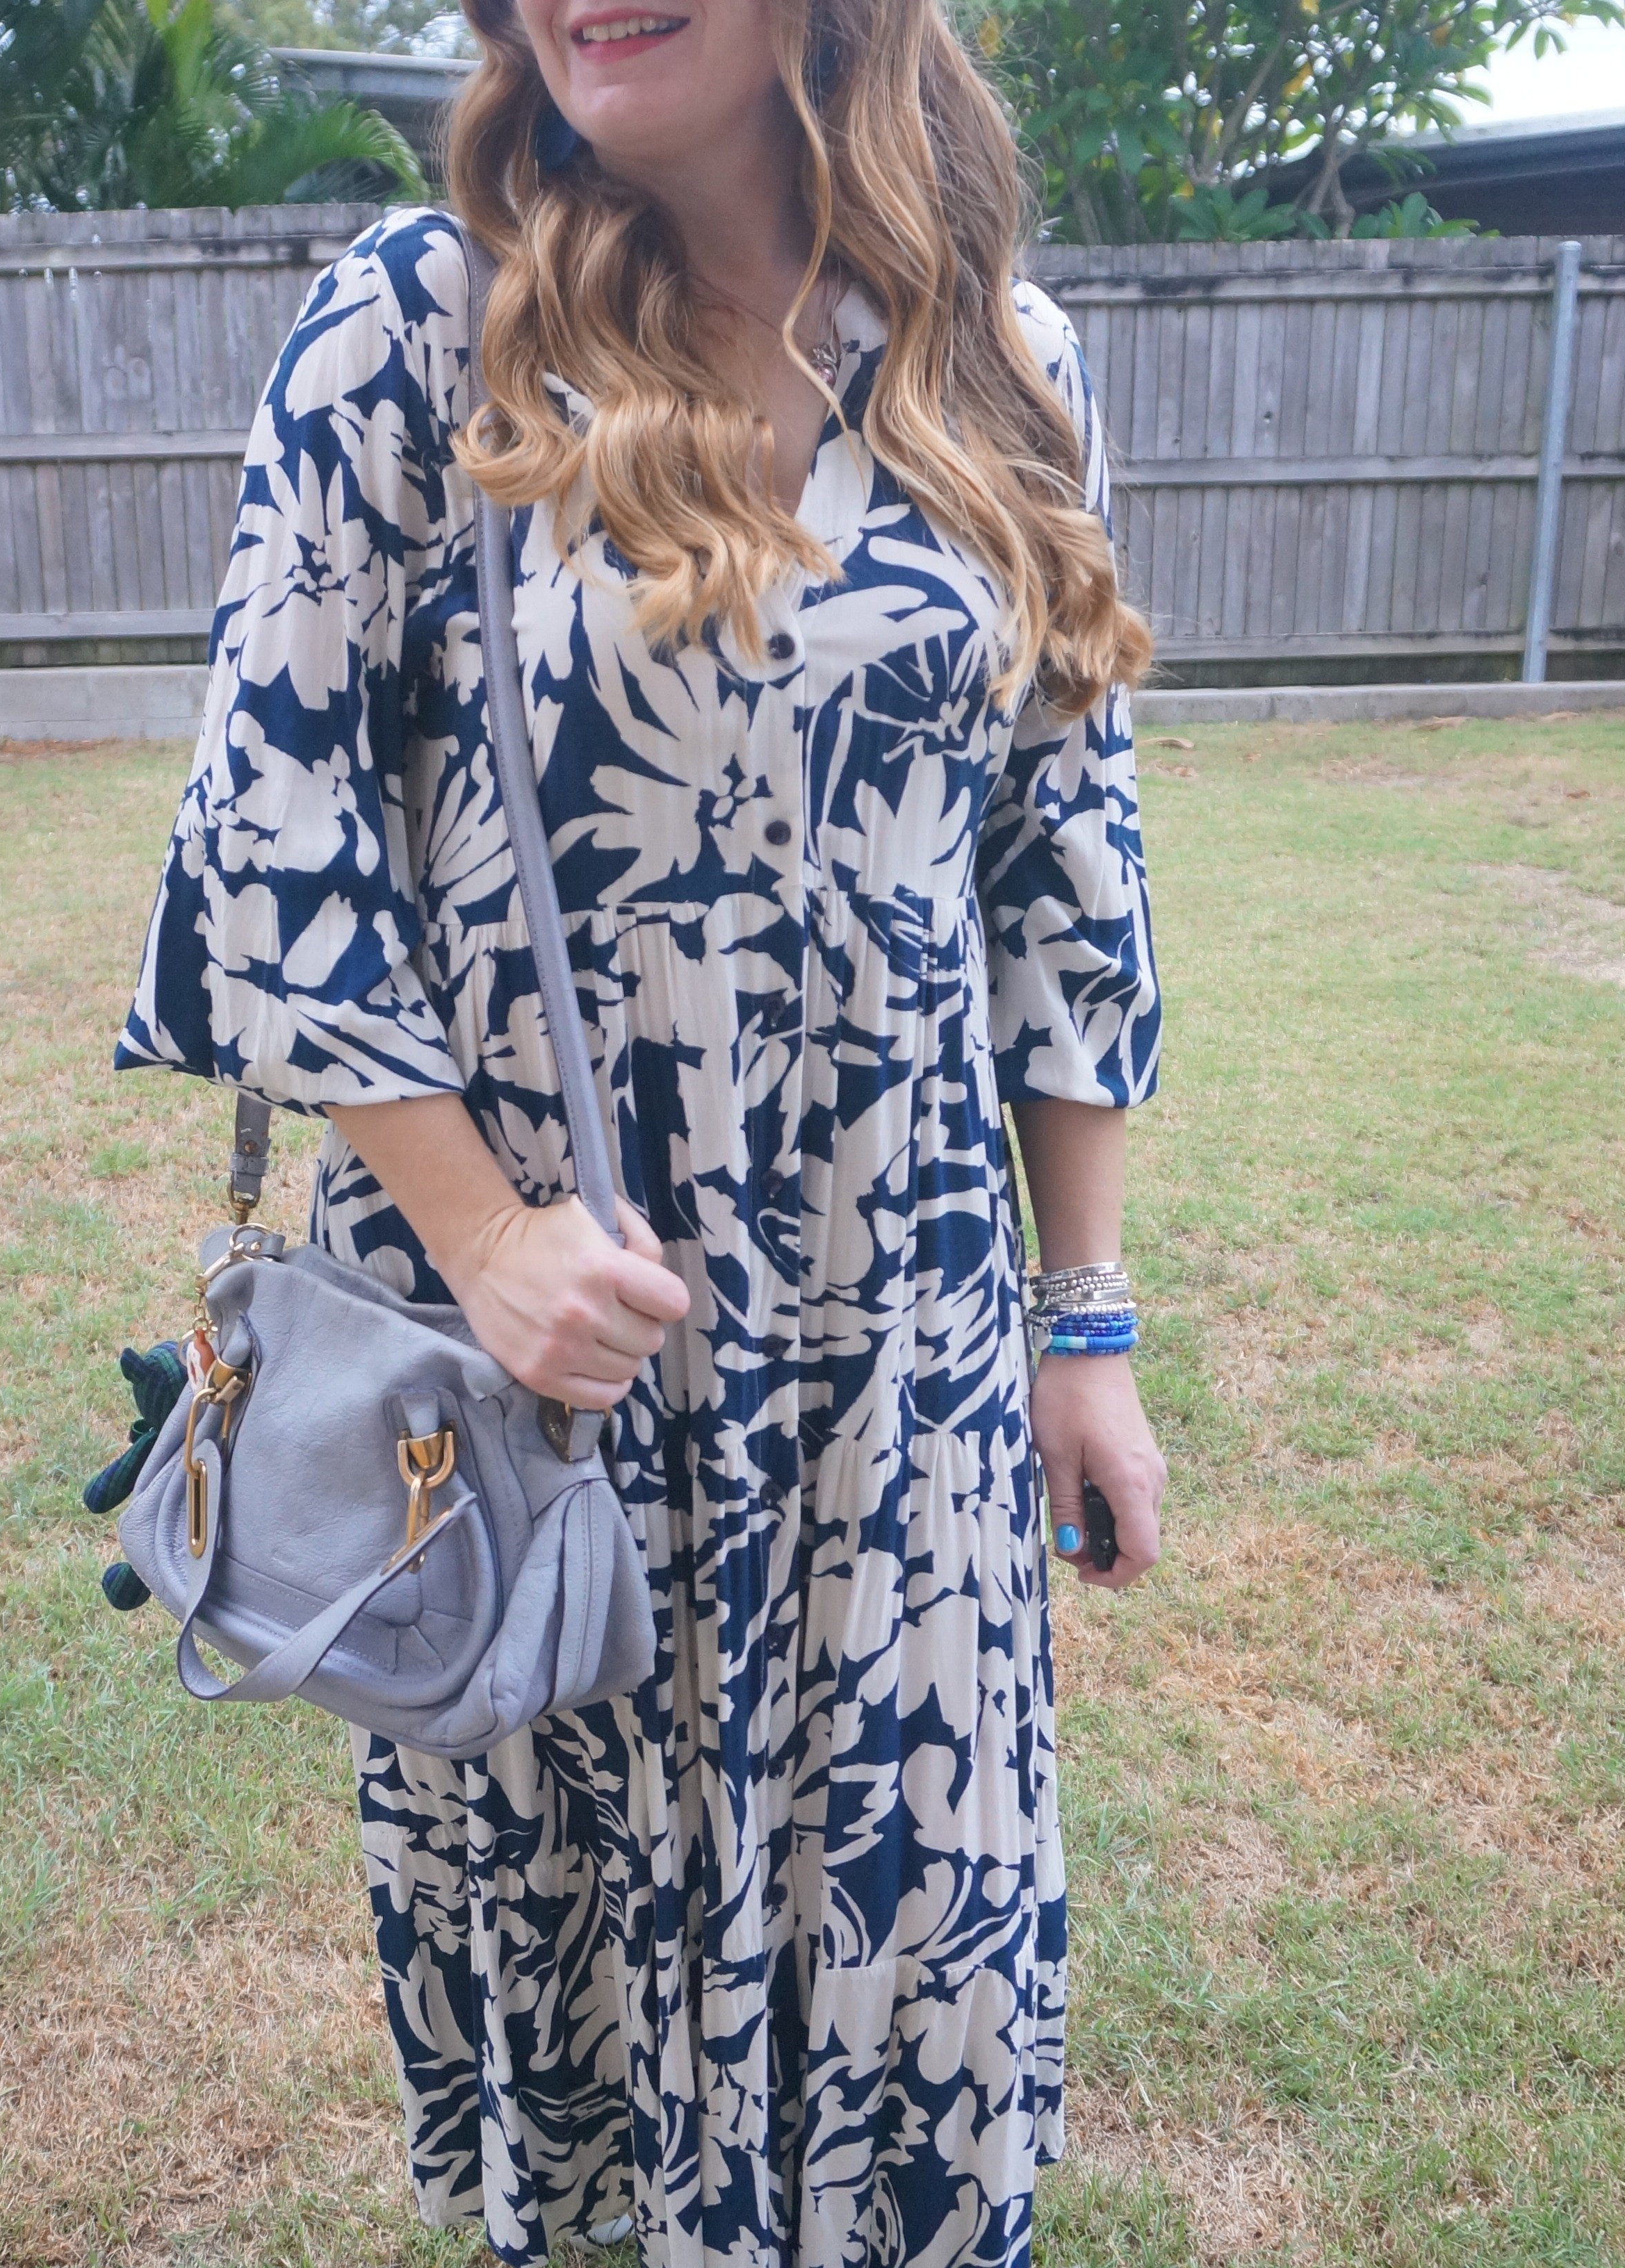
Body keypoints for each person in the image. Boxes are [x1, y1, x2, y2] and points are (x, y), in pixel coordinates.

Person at [116, 0, 1169, 2258]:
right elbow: (263, 829)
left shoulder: (1003, 362)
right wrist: (483, 1232)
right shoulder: (424, 327)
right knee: (589, 2032)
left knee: (910, 1991)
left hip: (905, 1383)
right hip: (547, 1391)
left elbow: (1068, 874)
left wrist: (1088, 1331)